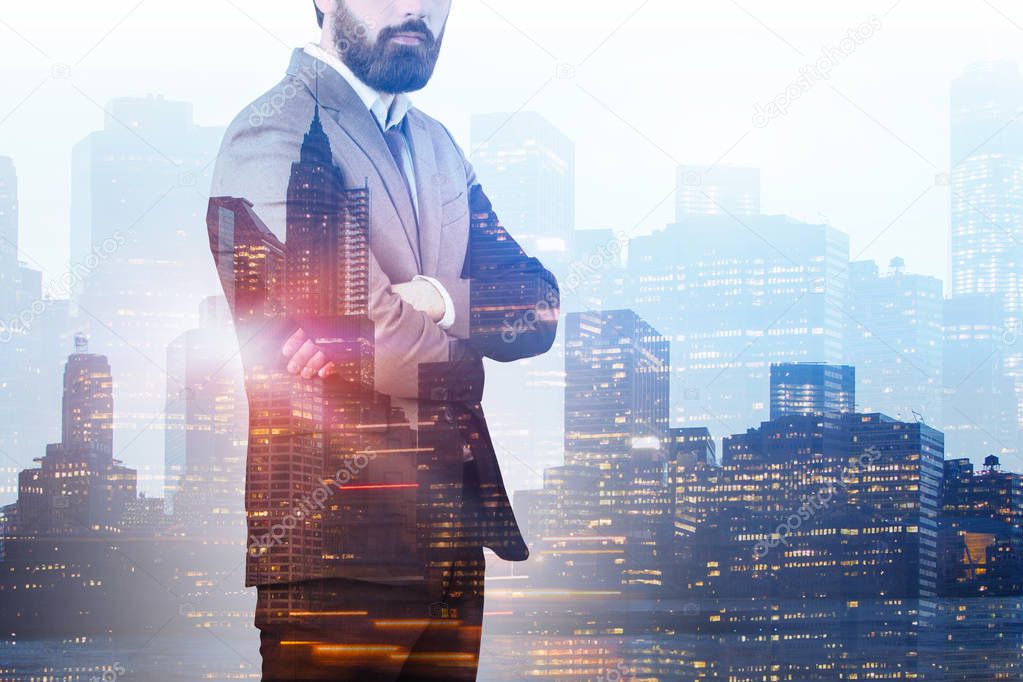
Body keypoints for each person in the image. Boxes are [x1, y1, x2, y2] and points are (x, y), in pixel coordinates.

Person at [207, 1, 560, 679]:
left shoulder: (437, 145)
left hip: (452, 553)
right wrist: (465, 353)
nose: (413, 8)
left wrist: (428, 299)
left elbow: (537, 307)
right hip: (334, 557)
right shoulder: (273, 132)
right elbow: (353, 333)